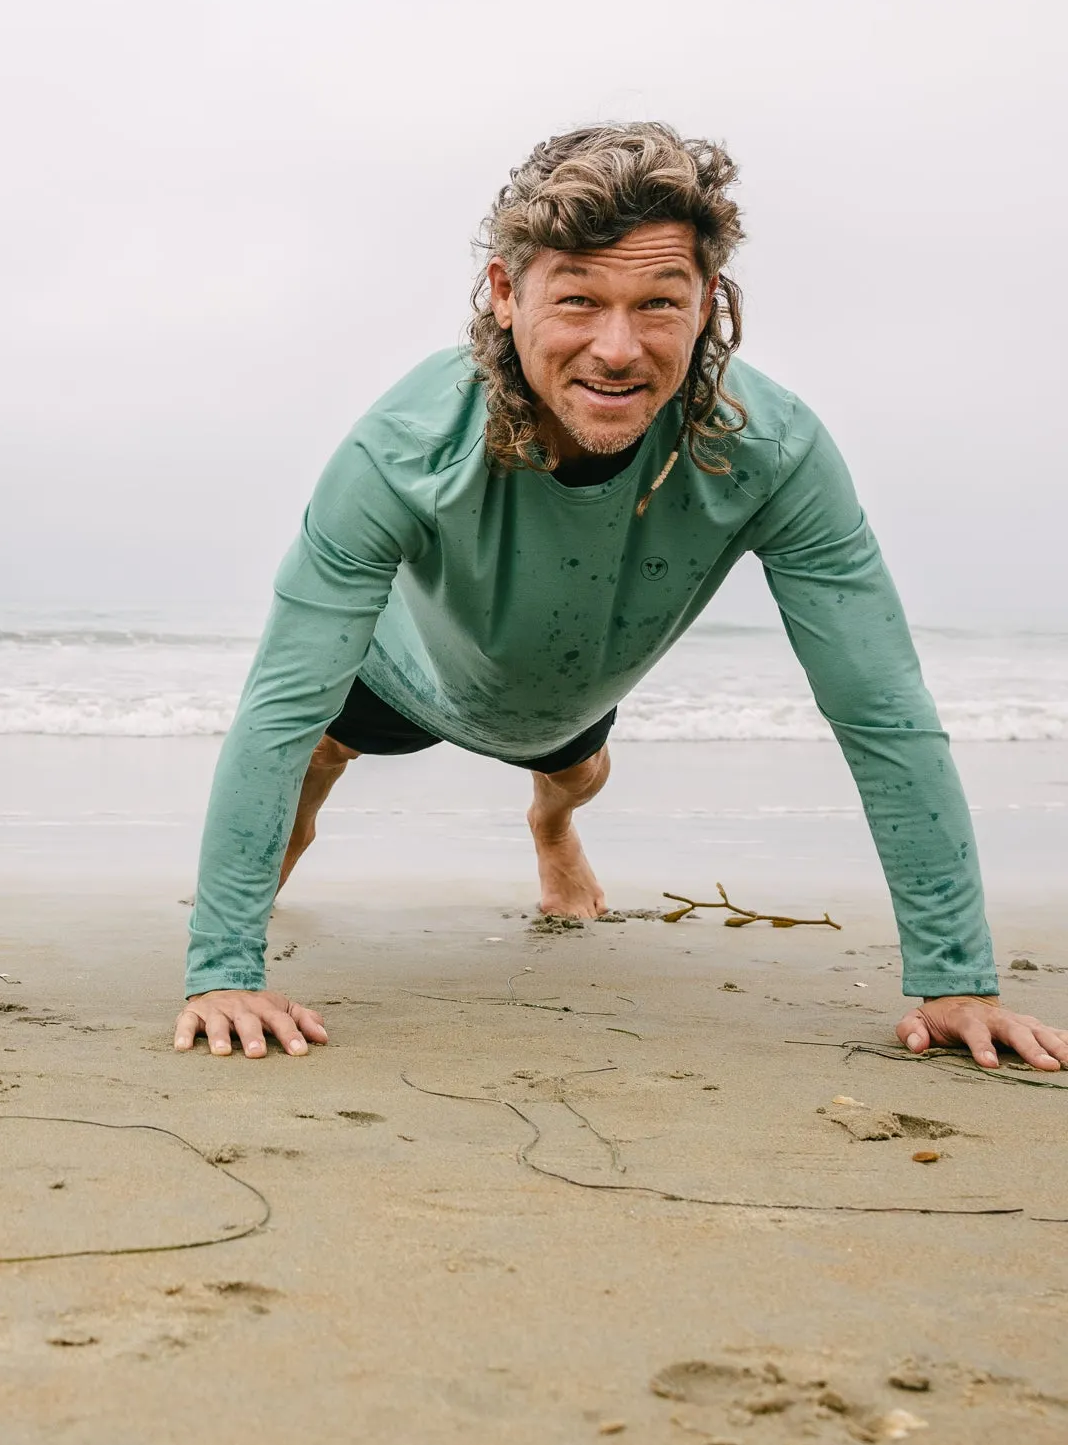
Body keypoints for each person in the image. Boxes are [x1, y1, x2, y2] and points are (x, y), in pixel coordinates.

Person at [175, 123, 1068, 1075]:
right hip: (395, 673)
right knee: (310, 763)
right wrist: (222, 971)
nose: (617, 347)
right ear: (505, 295)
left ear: (708, 304)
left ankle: (549, 824)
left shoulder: (773, 451)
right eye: (577, 300)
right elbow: (278, 700)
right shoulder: (400, 449)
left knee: (576, 776)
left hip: (566, 697)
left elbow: (881, 705)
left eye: (657, 303)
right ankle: (266, 890)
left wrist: (958, 979)